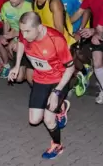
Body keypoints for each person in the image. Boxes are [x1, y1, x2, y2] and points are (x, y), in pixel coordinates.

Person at [8, 12, 73, 160]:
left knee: (49, 119)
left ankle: (57, 145)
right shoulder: (25, 32)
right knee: (34, 120)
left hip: (59, 80)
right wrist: (17, 66)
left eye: (27, 31)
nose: (24, 34)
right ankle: (61, 109)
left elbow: (70, 68)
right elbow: (21, 43)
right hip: (41, 79)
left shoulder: (55, 39)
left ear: (39, 27)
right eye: (22, 31)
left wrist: (56, 92)